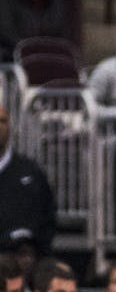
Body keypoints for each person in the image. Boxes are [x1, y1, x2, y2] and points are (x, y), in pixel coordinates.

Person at [0, 103, 56, 258]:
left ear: (10, 127)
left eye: (3, 121)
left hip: (23, 262)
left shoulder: (31, 172)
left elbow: (48, 218)